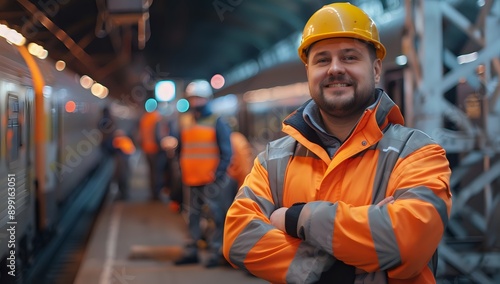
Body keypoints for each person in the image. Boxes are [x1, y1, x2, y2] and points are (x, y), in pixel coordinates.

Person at [223, 3, 452, 284]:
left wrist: (296, 219)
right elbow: (238, 239)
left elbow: (407, 244)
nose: (334, 69)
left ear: (377, 69)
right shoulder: (273, 161)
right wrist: (338, 267)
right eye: (321, 60)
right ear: (308, 72)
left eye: (350, 57)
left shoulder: (419, 154)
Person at [174, 79, 234, 268]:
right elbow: (181, 148)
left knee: (216, 215)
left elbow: (226, 151)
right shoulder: (185, 121)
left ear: (207, 99)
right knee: (192, 216)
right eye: (192, 98)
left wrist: (218, 174)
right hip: (190, 178)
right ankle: (192, 250)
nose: (195, 102)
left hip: (211, 180)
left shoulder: (217, 121)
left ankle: (216, 252)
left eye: (199, 98)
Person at [137, 106, 162, 200]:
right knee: (157, 172)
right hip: (155, 149)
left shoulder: (144, 118)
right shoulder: (156, 117)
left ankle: (153, 193)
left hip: (146, 149)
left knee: (151, 172)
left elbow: (140, 135)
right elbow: (158, 135)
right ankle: (157, 194)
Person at [111, 129, 136, 200]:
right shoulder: (127, 140)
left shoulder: (118, 140)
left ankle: (123, 195)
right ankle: (124, 194)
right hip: (126, 161)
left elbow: (113, 149)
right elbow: (132, 150)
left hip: (121, 162)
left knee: (121, 178)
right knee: (124, 178)